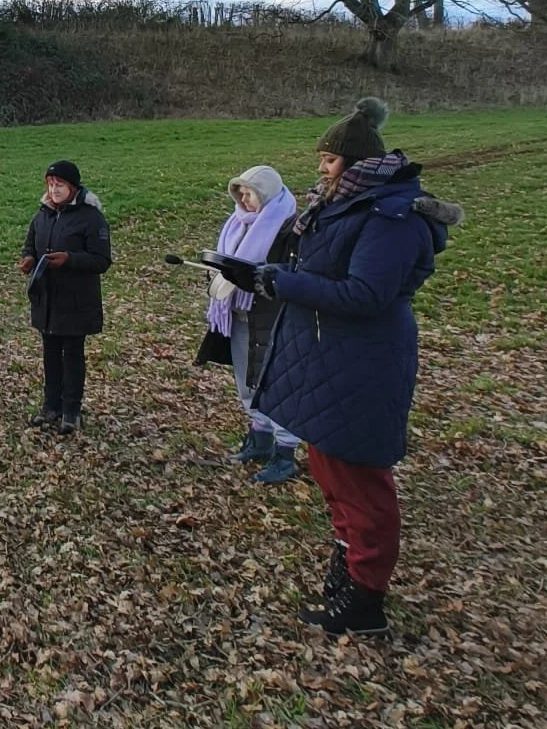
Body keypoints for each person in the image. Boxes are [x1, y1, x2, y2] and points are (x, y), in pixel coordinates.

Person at [212, 98, 462, 639]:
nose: (320, 168)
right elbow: (316, 268)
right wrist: (258, 272)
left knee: (362, 481)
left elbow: (366, 293)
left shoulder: (389, 217)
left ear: (355, 163)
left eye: (329, 159)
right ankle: (345, 573)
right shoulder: (339, 206)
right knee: (329, 468)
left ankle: (365, 599)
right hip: (325, 355)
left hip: (362, 360)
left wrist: (279, 282)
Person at [196, 165, 302, 484]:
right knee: (246, 380)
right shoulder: (236, 224)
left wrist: (261, 278)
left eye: (249, 192)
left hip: (275, 318)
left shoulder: (290, 227)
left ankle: (285, 454)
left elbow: (297, 271)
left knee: (279, 385)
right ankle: (259, 440)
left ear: (265, 193)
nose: (243, 198)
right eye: (239, 191)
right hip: (239, 315)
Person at [19, 159, 111, 434]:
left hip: (76, 301)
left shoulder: (91, 217)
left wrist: (69, 259)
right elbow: (30, 243)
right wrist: (28, 258)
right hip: (46, 298)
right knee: (50, 354)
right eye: (50, 184)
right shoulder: (42, 214)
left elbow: (101, 260)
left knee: (72, 354)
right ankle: (50, 406)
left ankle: (71, 410)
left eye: (59, 184)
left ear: (72, 187)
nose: (54, 189)